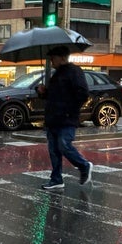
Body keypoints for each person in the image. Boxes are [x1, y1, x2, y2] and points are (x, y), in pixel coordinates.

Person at [36, 45, 93, 190]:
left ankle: (84, 165)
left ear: (62, 58)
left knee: (64, 145)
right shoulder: (56, 75)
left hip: (67, 118)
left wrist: (70, 109)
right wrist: (43, 92)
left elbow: (83, 93)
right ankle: (56, 179)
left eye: (53, 58)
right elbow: (53, 96)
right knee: (54, 150)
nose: (51, 61)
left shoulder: (74, 72)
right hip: (53, 118)